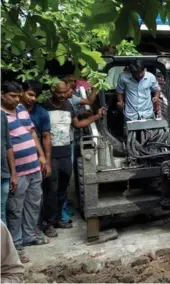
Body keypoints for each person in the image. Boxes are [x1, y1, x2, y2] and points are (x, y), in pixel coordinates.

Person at [41, 82, 104, 238]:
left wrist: (96, 116)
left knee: (63, 188)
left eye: (64, 92)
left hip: (65, 152)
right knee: (51, 190)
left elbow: (77, 124)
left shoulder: (68, 105)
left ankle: (57, 219)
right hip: (50, 154)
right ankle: (47, 223)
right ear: (52, 91)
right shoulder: (43, 106)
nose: (63, 95)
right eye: (59, 93)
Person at [2, 81, 47, 263]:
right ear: (1, 94)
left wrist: (41, 155)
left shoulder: (21, 108)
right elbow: (5, 145)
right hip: (18, 170)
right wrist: (12, 172)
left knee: (33, 203)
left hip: (33, 165)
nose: (16, 100)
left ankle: (29, 236)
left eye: (17, 96)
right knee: (15, 208)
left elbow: (32, 132)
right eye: (12, 96)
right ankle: (17, 244)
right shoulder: (0, 115)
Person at [1, 110, 17, 225]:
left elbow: (8, 145)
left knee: (2, 212)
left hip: (4, 173)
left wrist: (13, 173)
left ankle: (4, 242)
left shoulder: (2, 115)